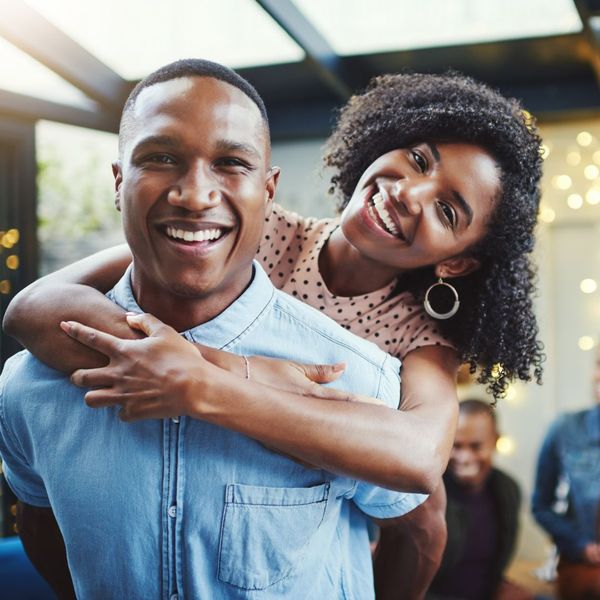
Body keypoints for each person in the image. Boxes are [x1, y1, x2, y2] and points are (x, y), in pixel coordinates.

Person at [3, 69, 545, 598]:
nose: (409, 192)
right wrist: (240, 368)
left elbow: (419, 468)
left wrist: (207, 382)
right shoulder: (254, 229)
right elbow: (35, 307)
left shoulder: (417, 337)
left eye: (447, 210)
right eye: (419, 159)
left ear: (457, 264)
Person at [421, 399, 532, 600]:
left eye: (476, 446)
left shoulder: (508, 489)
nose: (464, 457)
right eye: (456, 446)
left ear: (496, 441)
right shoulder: (425, 493)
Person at [532, 345, 600, 600]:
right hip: (582, 567)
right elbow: (541, 506)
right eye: (598, 364)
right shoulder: (566, 428)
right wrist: (580, 544)